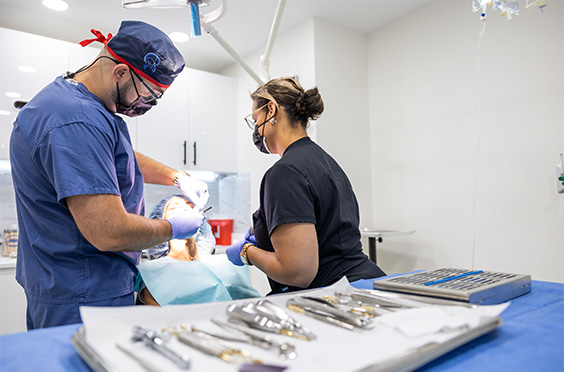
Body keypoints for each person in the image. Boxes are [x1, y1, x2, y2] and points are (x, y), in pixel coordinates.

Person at [9, 21, 210, 330]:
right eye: (148, 96)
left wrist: (177, 177)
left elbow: (111, 156)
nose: (147, 107)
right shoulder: (75, 120)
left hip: (75, 286)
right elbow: (108, 230)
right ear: (119, 72)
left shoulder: (77, 103)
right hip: (82, 294)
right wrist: (171, 228)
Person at [226, 77, 386, 294]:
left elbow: (297, 273)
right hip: (365, 282)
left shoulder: (284, 172)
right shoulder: (325, 161)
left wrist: (247, 252)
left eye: (255, 119)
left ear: (271, 110)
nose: (256, 129)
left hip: (335, 295)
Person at [136, 195, 260, 306]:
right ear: (161, 225)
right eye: (174, 208)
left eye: (190, 206)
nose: (185, 209)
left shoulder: (226, 261)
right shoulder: (152, 273)